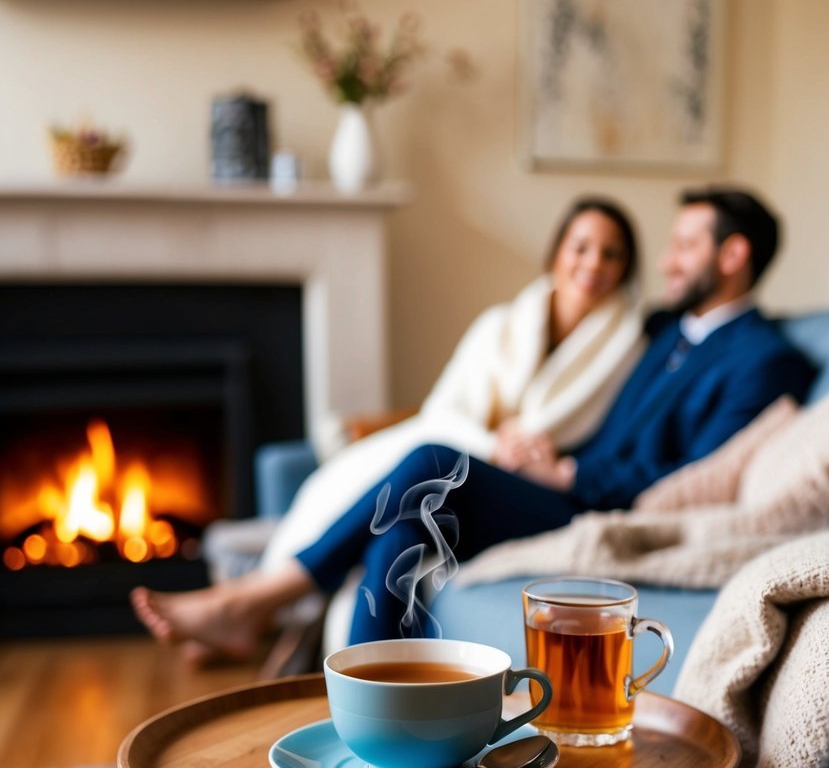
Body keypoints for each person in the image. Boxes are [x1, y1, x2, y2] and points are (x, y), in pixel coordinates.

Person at [132, 186, 816, 656]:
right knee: (400, 523)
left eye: (685, 246)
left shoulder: (766, 360)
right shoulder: (661, 330)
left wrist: (570, 468)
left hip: (597, 505)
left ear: (732, 257)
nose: (666, 261)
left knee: (435, 460)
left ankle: (259, 598)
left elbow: (693, 477)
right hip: (563, 486)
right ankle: (378, 716)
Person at [256, 195, 644, 568]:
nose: (594, 263)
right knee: (394, 538)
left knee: (428, 463)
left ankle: (263, 597)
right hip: (472, 455)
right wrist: (496, 445)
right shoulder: (498, 326)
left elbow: (609, 443)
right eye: (581, 248)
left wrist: (544, 461)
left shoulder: (632, 352)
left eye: (611, 254)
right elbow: (442, 411)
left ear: (625, 269)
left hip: (532, 487)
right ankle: (284, 602)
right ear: (556, 253)